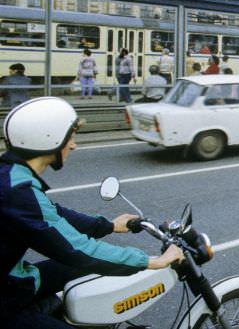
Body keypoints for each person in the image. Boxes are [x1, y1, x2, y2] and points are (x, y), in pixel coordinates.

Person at [0, 97, 183, 328]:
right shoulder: (16, 193)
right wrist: (153, 262)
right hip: (6, 297)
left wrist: (108, 226)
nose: (73, 145)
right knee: (81, 261)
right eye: (71, 137)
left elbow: (53, 214)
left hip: (14, 277)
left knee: (75, 268)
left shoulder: (11, 175)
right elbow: (79, 250)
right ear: (50, 139)